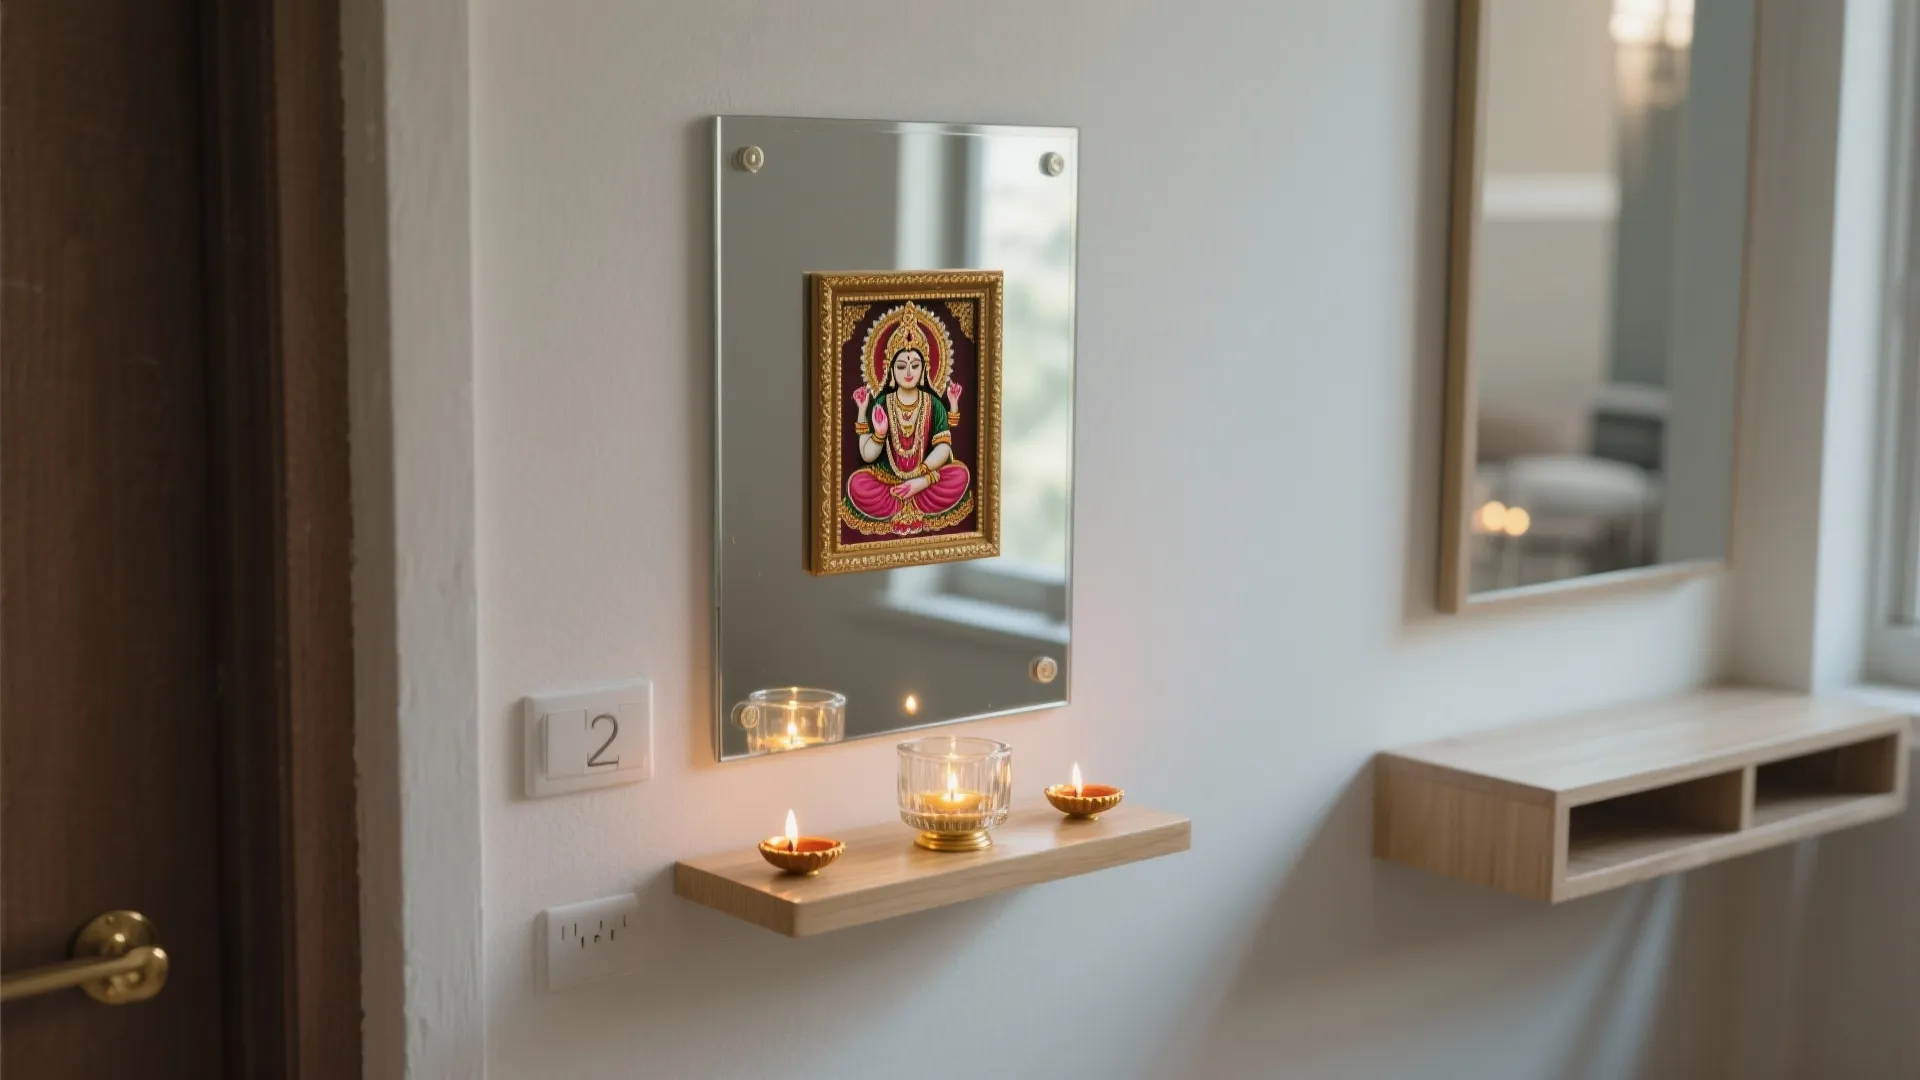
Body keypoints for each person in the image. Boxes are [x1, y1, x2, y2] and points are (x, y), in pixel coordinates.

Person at [844, 304, 969, 534]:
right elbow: (868, 455)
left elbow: (943, 448)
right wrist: (880, 433)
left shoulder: (933, 404)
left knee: (960, 475)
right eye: (901, 366)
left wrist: (921, 478)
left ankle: (913, 492)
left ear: (925, 370)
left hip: (925, 481)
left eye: (915, 365)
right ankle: (906, 497)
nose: (908, 372)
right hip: (888, 484)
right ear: (891, 371)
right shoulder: (882, 404)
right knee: (857, 485)